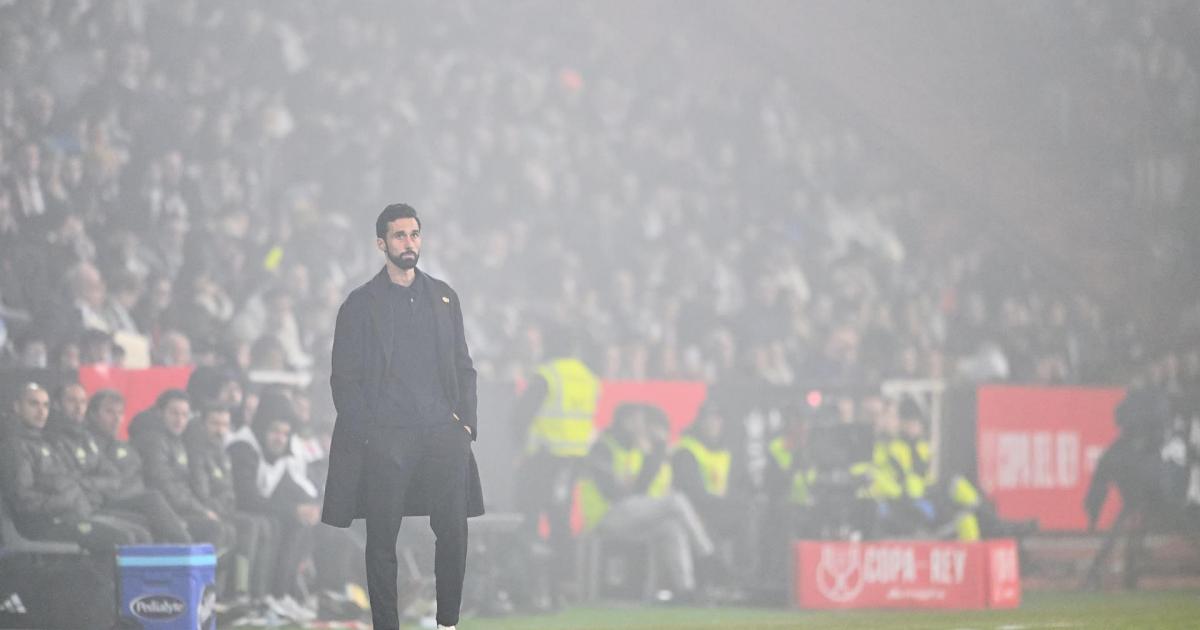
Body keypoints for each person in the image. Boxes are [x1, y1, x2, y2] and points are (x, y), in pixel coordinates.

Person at [321, 203, 483, 630]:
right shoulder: (359, 305)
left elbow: (464, 365)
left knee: (454, 530)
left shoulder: (445, 297)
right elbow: (343, 379)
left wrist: (466, 426)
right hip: (386, 437)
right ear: (381, 244)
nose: (408, 243)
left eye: (414, 235)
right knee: (381, 542)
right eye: (399, 236)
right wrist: (367, 433)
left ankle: (448, 623)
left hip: (441, 434)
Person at [577, 403, 714, 603]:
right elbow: (612, 493)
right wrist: (653, 456)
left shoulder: (635, 450)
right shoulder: (603, 447)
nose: (644, 428)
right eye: (640, 422)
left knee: (671, 527)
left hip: (628, 517)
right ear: (626, 423)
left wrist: (650, 457)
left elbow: (638, 488)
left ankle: (686, 590)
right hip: (605, 516)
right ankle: (708, 556)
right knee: (676, 501)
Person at [0, 382, 151, 552]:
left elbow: (72, 480)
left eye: (45, 405)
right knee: (123, 537)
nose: (41, 411)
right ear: (17, 407)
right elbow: (23, 501)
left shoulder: (45, 442)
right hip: (44, 524)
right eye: (33, 404)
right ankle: (111, 580)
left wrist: (77, 497)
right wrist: (66, 499)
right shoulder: (14, 447)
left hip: (71, 514)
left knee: (140, 533)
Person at [46, 382, 190, 543]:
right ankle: (190, 554)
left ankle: (186, 556)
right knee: (151, 505)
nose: (116, 418)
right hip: (98, 505)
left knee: (156, 516)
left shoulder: (110, 443)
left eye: (120, 413)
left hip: (121, 500)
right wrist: (97, 486)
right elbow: (73, 481)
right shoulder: (71, 440)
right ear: (93, 414)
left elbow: (112, 477)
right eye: (109, 412)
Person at [184, 402, 279, 602]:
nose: (220, 430)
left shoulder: (222, 452)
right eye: (214, 424)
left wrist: (224, 504)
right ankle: (230, 594)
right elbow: (203, 493)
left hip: (223, 510)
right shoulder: (196, 452)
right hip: (204, 512)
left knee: (259, 523)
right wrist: (220, 506)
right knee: (244, 526)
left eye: (224, 425)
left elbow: (229, 491)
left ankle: (255, 594)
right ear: (202, 424)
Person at [131, 389, 233, 549]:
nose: (180, 420)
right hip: (162, 512)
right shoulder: (154, 441)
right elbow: (165, 486)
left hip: (179, 508)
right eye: (174, 413)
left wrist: (205, 509)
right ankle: (198, 574)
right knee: (215, 529)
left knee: (228, 528)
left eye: (185, 415)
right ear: (160, 413)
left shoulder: (176, 440)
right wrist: (202, 511)